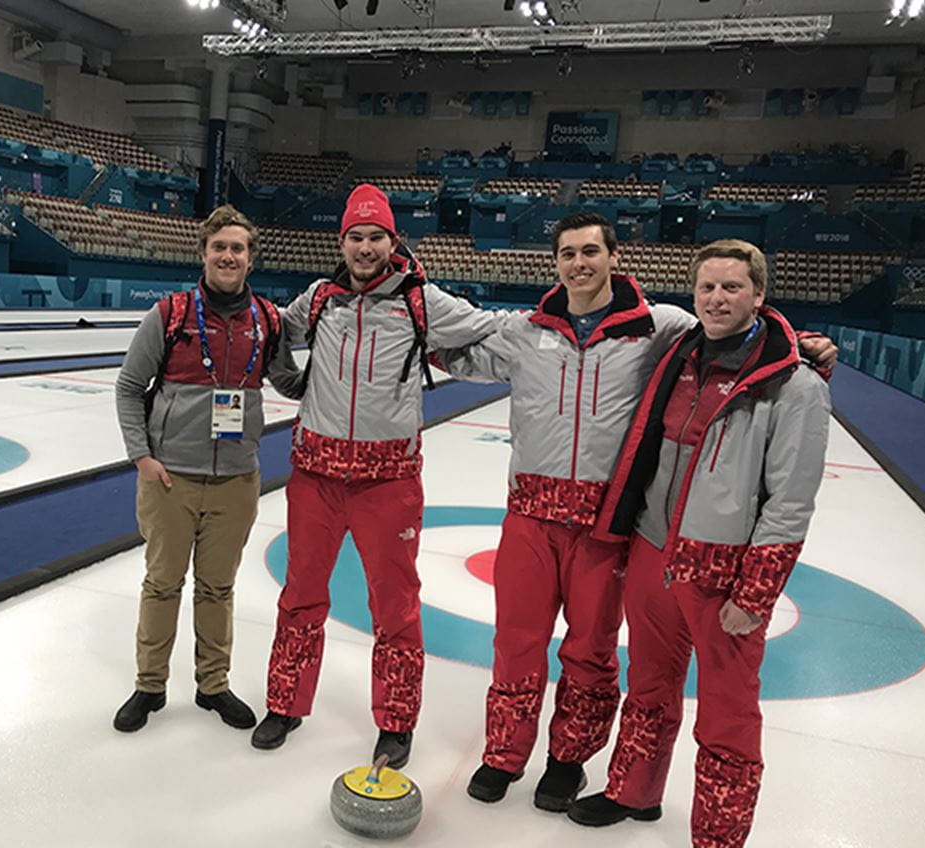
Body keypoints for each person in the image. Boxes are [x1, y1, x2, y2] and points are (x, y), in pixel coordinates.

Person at [435, 214, 835, 813]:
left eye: (590, 250)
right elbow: (460, 356)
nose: (579, 263)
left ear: (614, 256)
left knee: (591, 650)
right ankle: (504, 754)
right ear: (555, 262)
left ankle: (567, 759)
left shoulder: (660, 327)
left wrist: (802, 349)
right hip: (531, 516)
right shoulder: (526, 331)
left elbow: (744, 340)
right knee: (516, 642)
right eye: (567, 253)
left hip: (604, 525)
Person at [568, 240, 831, 848]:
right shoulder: (680, 354)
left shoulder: (794, 386)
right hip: (653, 549)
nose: (717, 299)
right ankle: (632, 792)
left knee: (728, 713)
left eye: (732, 287)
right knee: (650, 684)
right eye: (707, 287)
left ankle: (718, 834)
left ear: (759, 296)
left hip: (725, 570)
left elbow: (790, 502)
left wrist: (757, 593)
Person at [250, 184, 499, 768]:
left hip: (388, 482)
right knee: (301, 596)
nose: (365, 247)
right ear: (342, 242)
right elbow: (272, 337)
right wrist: (293, 384)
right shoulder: (319, 299)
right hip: (316, 475)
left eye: (376, 237)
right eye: (356, 237)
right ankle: (285, 703)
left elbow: (488, 330)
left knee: (395, 605)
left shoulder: (421, 301)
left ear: (393, 241)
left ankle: (396, 720)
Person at [112, 205, 302, 733]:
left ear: (250, 258)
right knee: (162, 584)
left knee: (218, 588)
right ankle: (149, 686)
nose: (228, 256)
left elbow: (287, 380)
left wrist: (335, 376)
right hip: (170, 477)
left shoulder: (266, 320)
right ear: (204, 254)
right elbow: (130, 387)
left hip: (237, 480)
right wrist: (141, 456)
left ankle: (212, 684)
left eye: (237, 248)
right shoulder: (170, 314)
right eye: (219, 247)